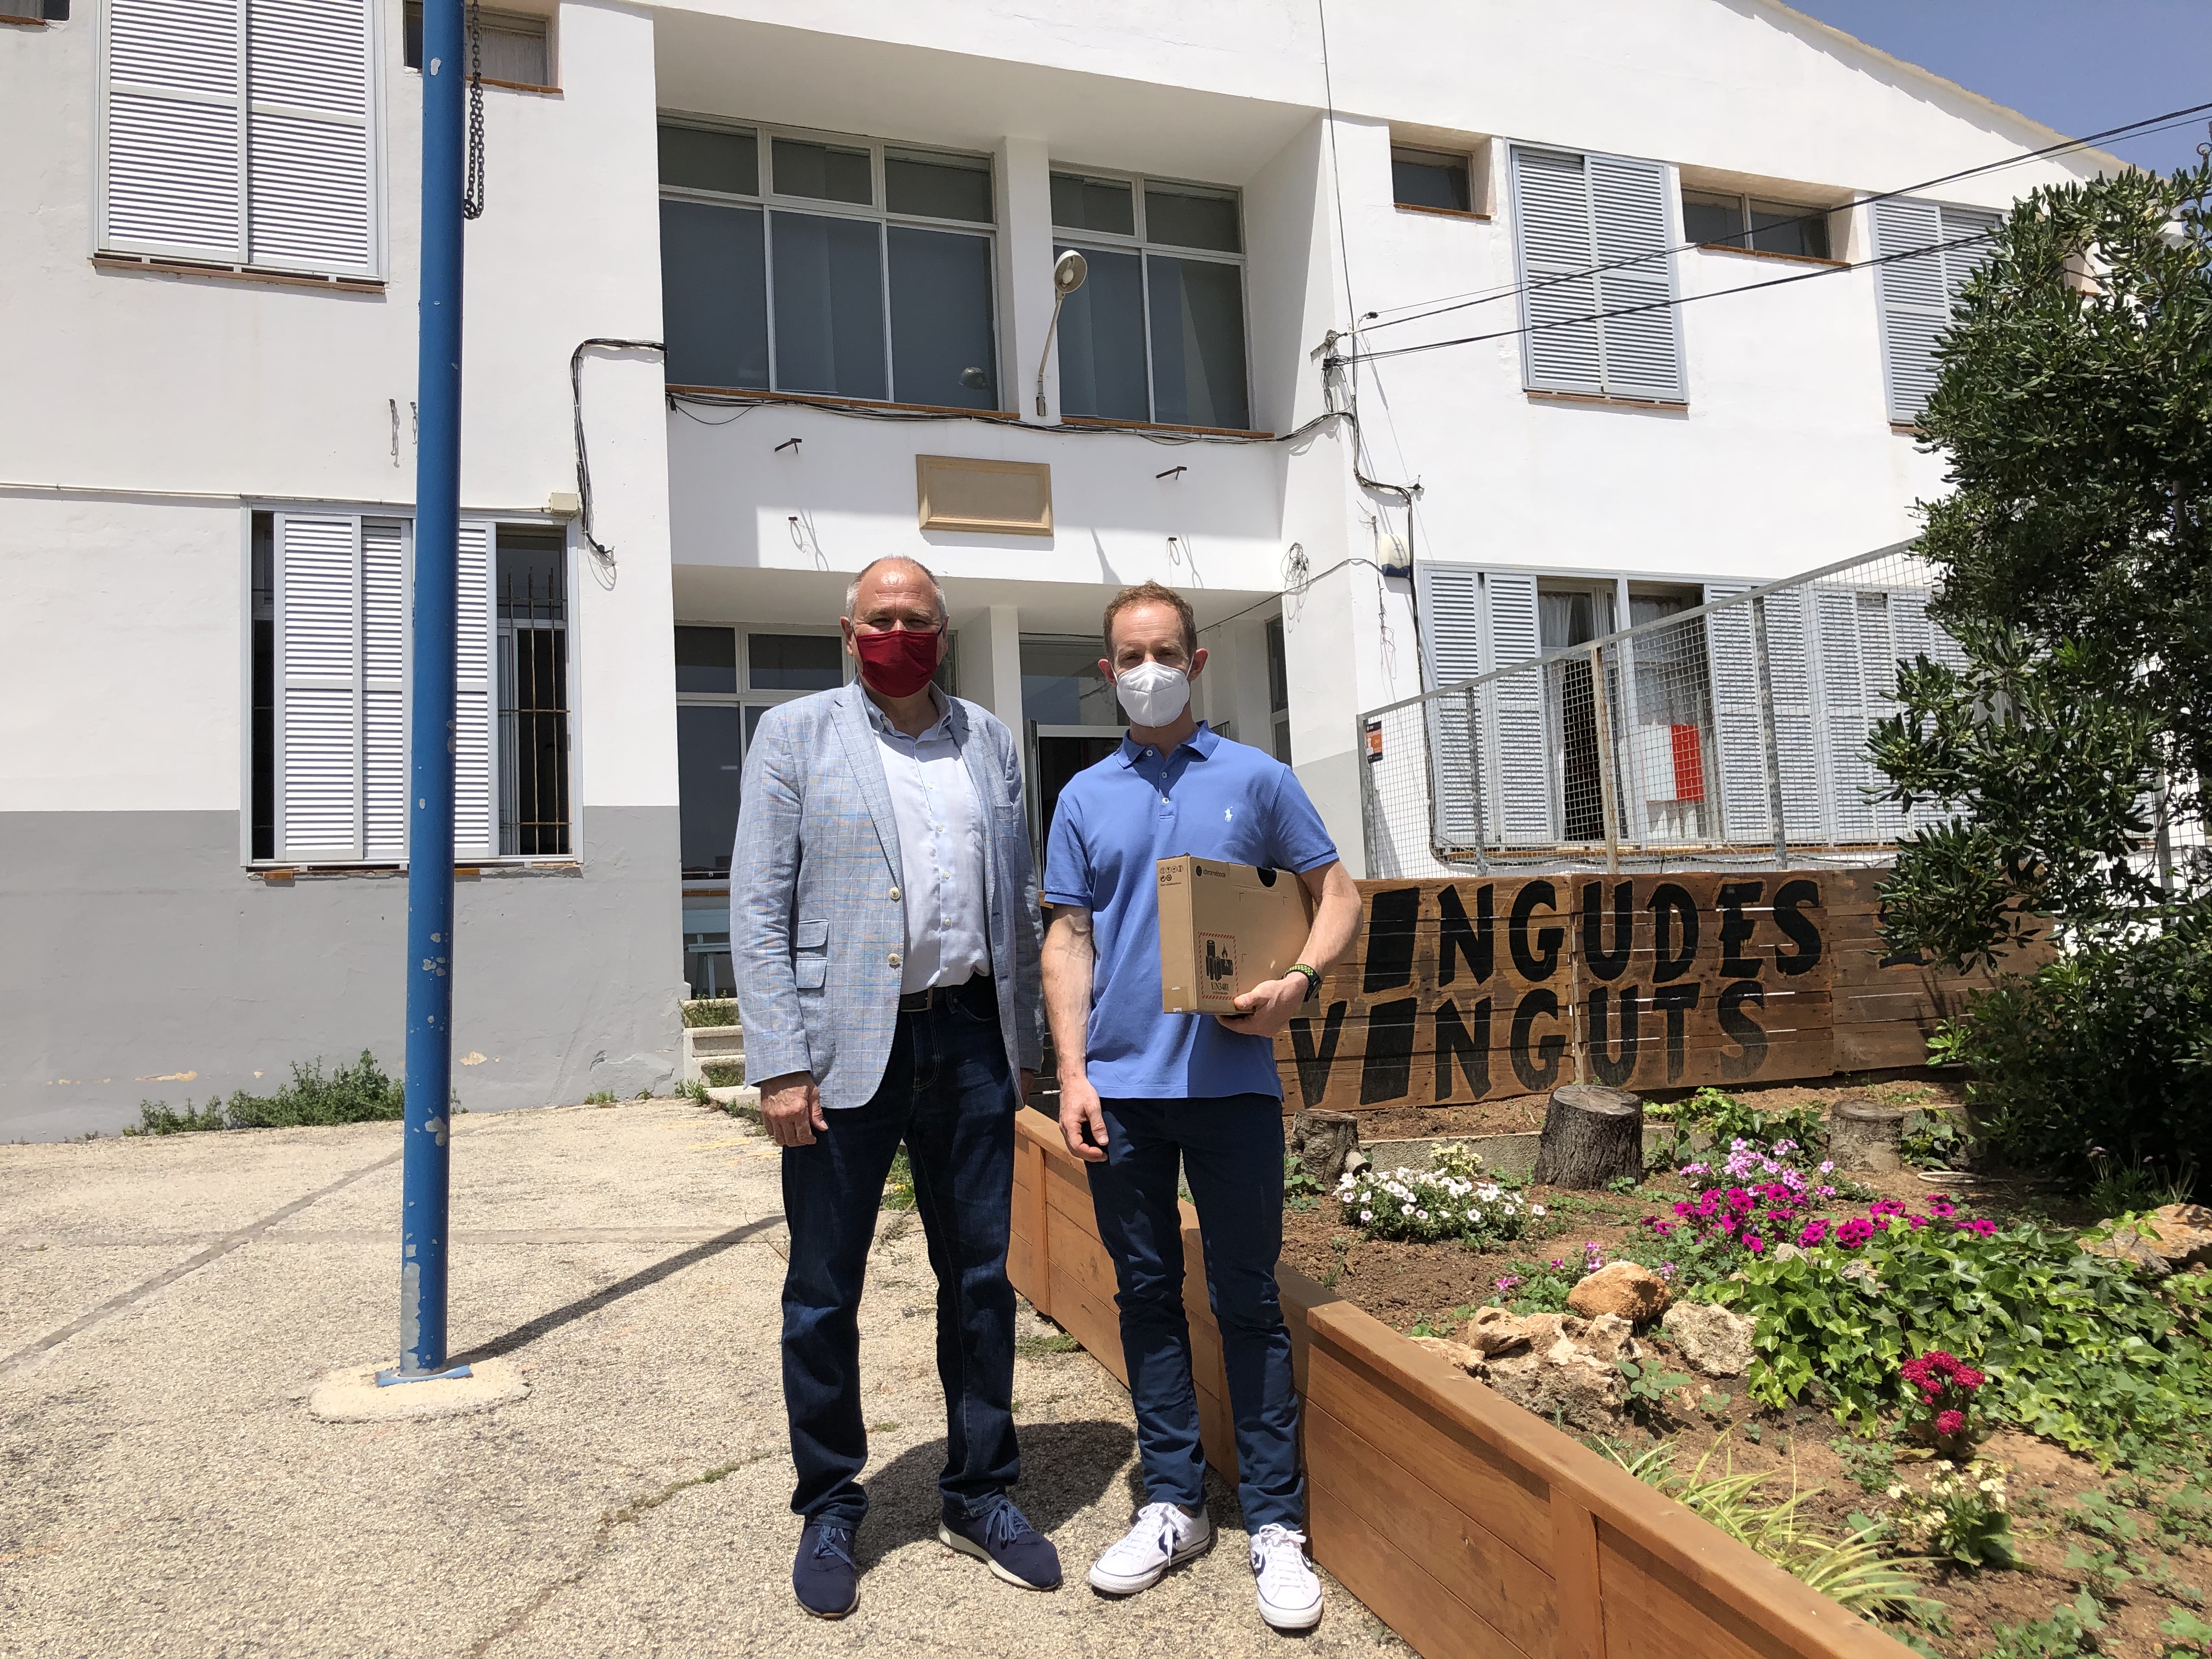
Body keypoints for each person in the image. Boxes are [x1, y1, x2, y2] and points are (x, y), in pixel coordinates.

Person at [730, 555, 1058, 1619]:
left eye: (917, 618)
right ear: (848, 631)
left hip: (970, 1042)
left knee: (980, 1281)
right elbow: (758, 904)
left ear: (944, 632)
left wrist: (1026, 1047)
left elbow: (1017, 899)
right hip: (841, 1053)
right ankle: (831, 1501)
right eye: (881, 618)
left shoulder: (989, 741)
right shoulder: (795, 736)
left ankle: (980, 1490)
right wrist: (780, 1062)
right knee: (825, 1290)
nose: (899, 633)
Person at [1040, 580, 1361, 1633]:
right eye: (1130, 657)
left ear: (1198, 661)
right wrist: (1073, 1073)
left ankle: (1276, 1521)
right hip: (1122, 1095)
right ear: (1107, 672)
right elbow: (1069, 939)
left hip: (1231, 1088)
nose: (1149, 671)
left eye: (1165, 652)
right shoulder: (1083, 797)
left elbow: (1337, 895)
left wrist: (1299, 982)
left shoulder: (1258, 779)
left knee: (1248, 1300)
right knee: (1144, 1296)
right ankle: (1174, 1502)